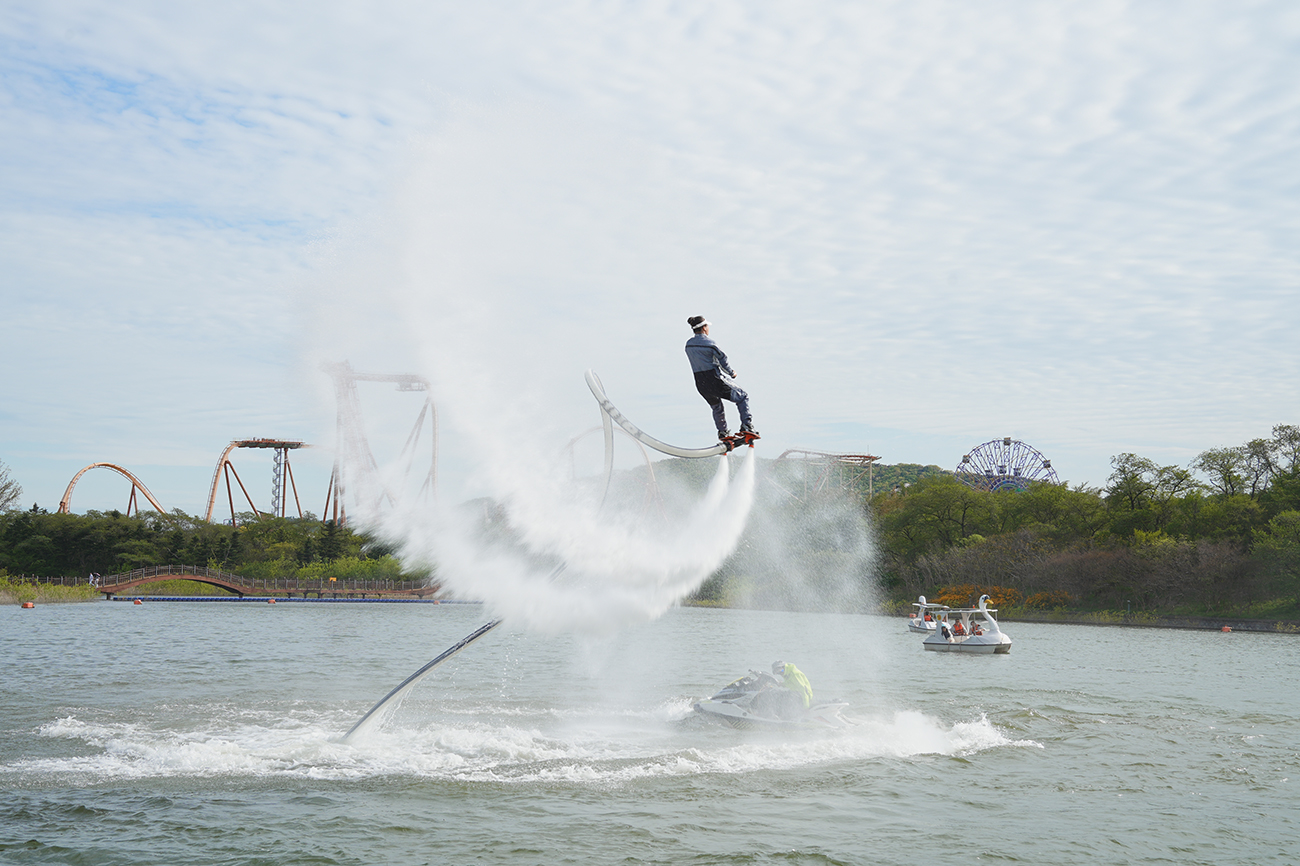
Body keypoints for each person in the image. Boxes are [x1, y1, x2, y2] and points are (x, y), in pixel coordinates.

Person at [685, 316, 758, 441]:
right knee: (743, 396)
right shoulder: (710, 344)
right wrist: (731, 373)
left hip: (700, 384)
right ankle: (747, 426)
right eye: (707, 326)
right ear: (704, 328)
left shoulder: (688, 345)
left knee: (716, 406)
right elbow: (723, 360)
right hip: (714, 379)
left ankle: (722, 432)